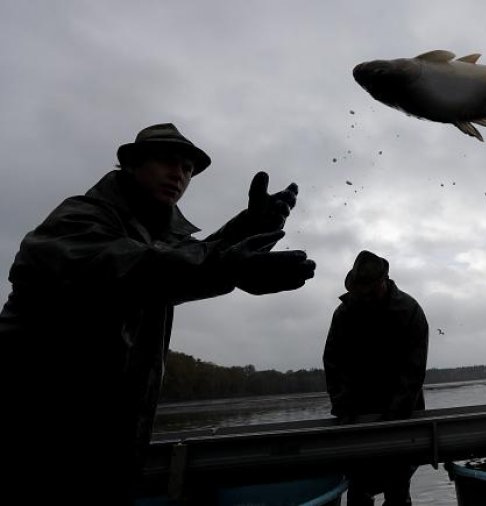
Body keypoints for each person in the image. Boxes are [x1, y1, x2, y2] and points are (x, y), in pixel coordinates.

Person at [0, 123, 317, 503]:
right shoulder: (77, 219)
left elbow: (175, 261)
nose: (179, 175)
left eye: (187, 169)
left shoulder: (156, 239)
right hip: (32, 431)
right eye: (168, 162)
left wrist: (249, 226)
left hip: (105, 443)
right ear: (132, 164)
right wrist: (229, 265)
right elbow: (130, 267)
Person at [323, 250, 429, 506]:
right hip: (356, 417)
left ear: (384, 281)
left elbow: (413, 372)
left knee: (398, 491)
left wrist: (394, 417)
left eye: (370, 291)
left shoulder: (410, 310)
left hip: (401, 417)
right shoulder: (344, 314)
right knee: (357, 491)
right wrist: (344, 408)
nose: (365, 297)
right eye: (361, 291)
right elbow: (333, 364)